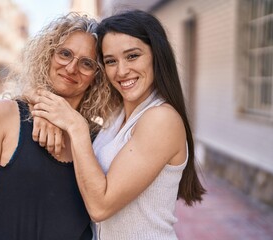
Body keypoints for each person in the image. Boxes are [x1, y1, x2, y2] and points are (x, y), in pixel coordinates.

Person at [31, 10, 206, 240]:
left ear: (156, 55)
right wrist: (42, 110)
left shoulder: (161, 119)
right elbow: (57, 92)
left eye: (132, 56)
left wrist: (76, 126)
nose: (121, 71)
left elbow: (99, 207)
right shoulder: (116, 113)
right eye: (111, 61)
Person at [0, 12, 116, 240]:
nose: (72, 68)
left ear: (97, 75)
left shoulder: (97, 136)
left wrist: (72, 122)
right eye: (65, 54)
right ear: (49, 55)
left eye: (87, 63)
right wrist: (42, 103)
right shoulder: (5, 115)